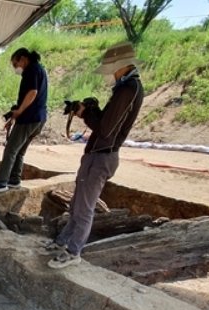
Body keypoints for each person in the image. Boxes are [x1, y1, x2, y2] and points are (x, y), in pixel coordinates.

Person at [44, 42, 144, 270]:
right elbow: (106, 123)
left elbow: (105, 128)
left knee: (85, 207)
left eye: (111, 69)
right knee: (77, 202)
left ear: (121, 67)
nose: (109, 75)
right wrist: (88, 112)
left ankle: (73, 250)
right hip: (97, 154)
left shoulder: (129, 90)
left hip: (103, 156)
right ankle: (63, 242)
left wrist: (86, 113)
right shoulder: (124, 89)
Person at [0, 48, 48, 194]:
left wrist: (19, 111)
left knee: (11, 150)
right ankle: (14, 179)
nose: (15, 68)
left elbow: (32, 93)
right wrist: (14, 117)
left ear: (23, 59)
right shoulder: (40, 70)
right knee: (19, 151)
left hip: (29, 118)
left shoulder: (31, 70)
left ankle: (1, 182)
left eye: (15, 64)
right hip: (39, 118)